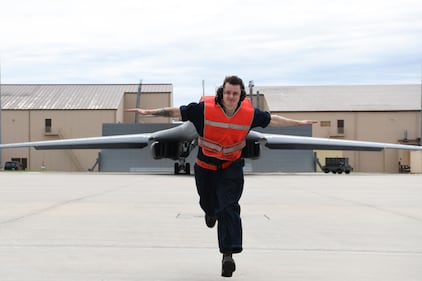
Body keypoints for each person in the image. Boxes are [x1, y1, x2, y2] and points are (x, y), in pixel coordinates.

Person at [126, 75, 317, 277]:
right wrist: (149, 112)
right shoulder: (204, 110)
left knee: (229, 206)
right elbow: (176, 111)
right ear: (222, 93)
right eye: (227, 92)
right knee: (209, 204)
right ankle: (210, 212)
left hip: (231, 166)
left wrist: (299, 123)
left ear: (240, 95)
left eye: (235, 93)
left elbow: (273, 119)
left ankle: (228, 255)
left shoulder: (249, 114)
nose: (231, 96)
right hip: (205, 166)